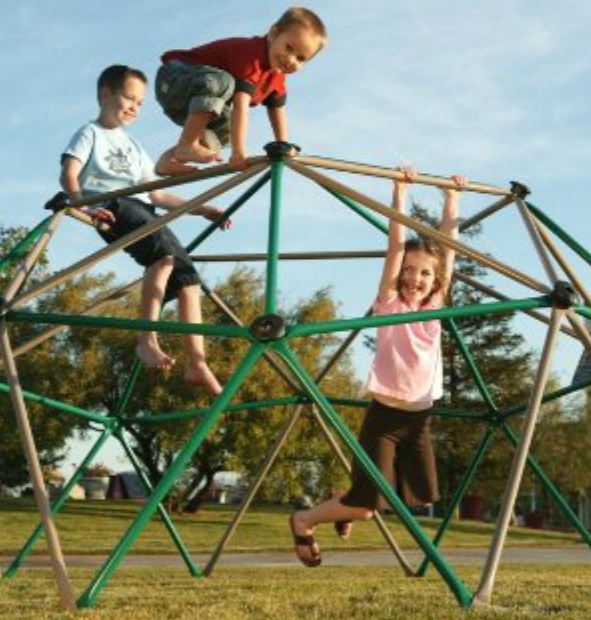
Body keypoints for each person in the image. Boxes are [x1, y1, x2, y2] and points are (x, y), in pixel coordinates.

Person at [288, 166, 467, 567]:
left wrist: (452, 201)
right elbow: (395, 244)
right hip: (384, 419)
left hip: (420, 419)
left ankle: (348, 499)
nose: (415, 278)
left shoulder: (435, 307)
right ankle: (304, 519)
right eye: (409, 270)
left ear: (435, 280)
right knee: (366, 507)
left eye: (424, 273)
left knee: (421, 494)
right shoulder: (388, 303)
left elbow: (448, 250)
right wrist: (399, 193)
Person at [59, 64, 231, 396]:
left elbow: (157, 194)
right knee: (163, 259)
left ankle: (197, 361)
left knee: (189, 282)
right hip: (113, 206)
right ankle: (145, 339)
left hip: (144, 210)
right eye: (129, 97)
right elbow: (69, 174)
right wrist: (83, 205)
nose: (135, 107)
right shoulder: (89, 133)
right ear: (105, 93)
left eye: (140, 103)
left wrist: (202, 209)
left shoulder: (135, 146)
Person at [151, 7, 327, 175]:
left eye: (301, 58)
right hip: (174, 78)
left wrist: (284, 146)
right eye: (288, 47)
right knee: (224, 82)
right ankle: (186, 145)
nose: (290, 59)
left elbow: (278, 111)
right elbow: (240, 106)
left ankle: (169, 159)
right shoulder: (251, 56)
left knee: (226, 130)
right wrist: (239, 153)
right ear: (273, 33)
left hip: (194, 100)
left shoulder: (276, 77)